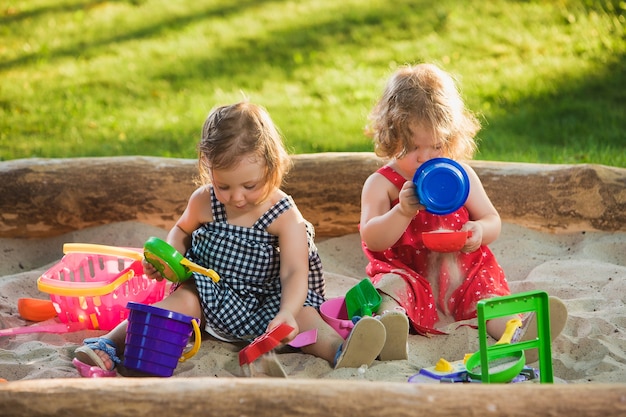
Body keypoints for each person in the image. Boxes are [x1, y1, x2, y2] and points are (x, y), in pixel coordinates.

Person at [75, 101, 394, 374]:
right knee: (172, 304)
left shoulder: (284, 214)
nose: (237, 197)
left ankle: (341, 350)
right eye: (224, 186)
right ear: (208, 168)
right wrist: (168, 257)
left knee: (304, 317)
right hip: (209, 295)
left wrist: (286, 311)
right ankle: (108, 343)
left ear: (272, 166)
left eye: (249, 186)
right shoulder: (204, 201)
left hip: (267, 302)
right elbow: (181, 230)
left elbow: (295, 272)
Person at [359, 63, 567, 358]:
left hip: (461, 272)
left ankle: (515, 333)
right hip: (409, 272)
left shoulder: (461, 177)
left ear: (451, 138)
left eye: (436, 146)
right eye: (412, 146)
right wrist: (402, 212)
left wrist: (479, 231)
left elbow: (492, 219)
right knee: (390, 289)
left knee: (487, 292)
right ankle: (391, 329)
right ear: (393, 138)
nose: (425, 157)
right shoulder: (383, 184)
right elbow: (373, 239)